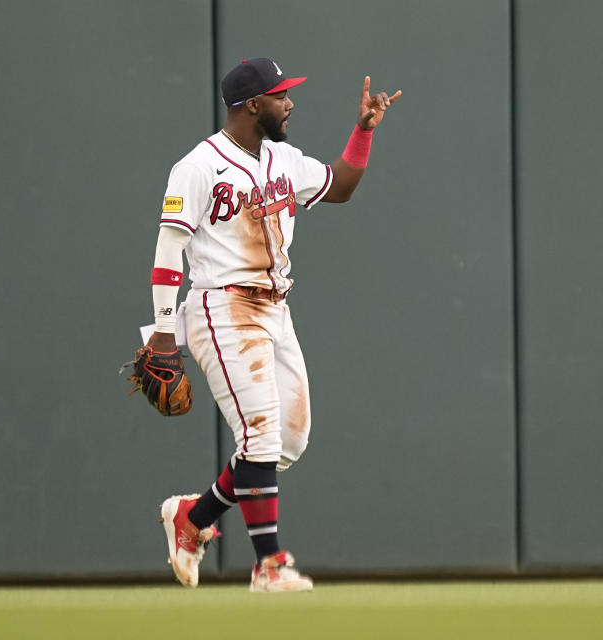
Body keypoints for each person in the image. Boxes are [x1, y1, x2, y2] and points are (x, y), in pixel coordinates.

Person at [145, 57, 400, 592]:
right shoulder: (196, 167)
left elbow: (342, 185)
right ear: (252, 104)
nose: (291, 103)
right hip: (222, 308)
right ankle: (270, 565)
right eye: (282, 95)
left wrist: (362, 131)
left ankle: (192, 519)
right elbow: (169, 253)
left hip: (274, 311)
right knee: (259, 432)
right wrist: (164, 333)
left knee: (288, 440)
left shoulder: (283, 158)